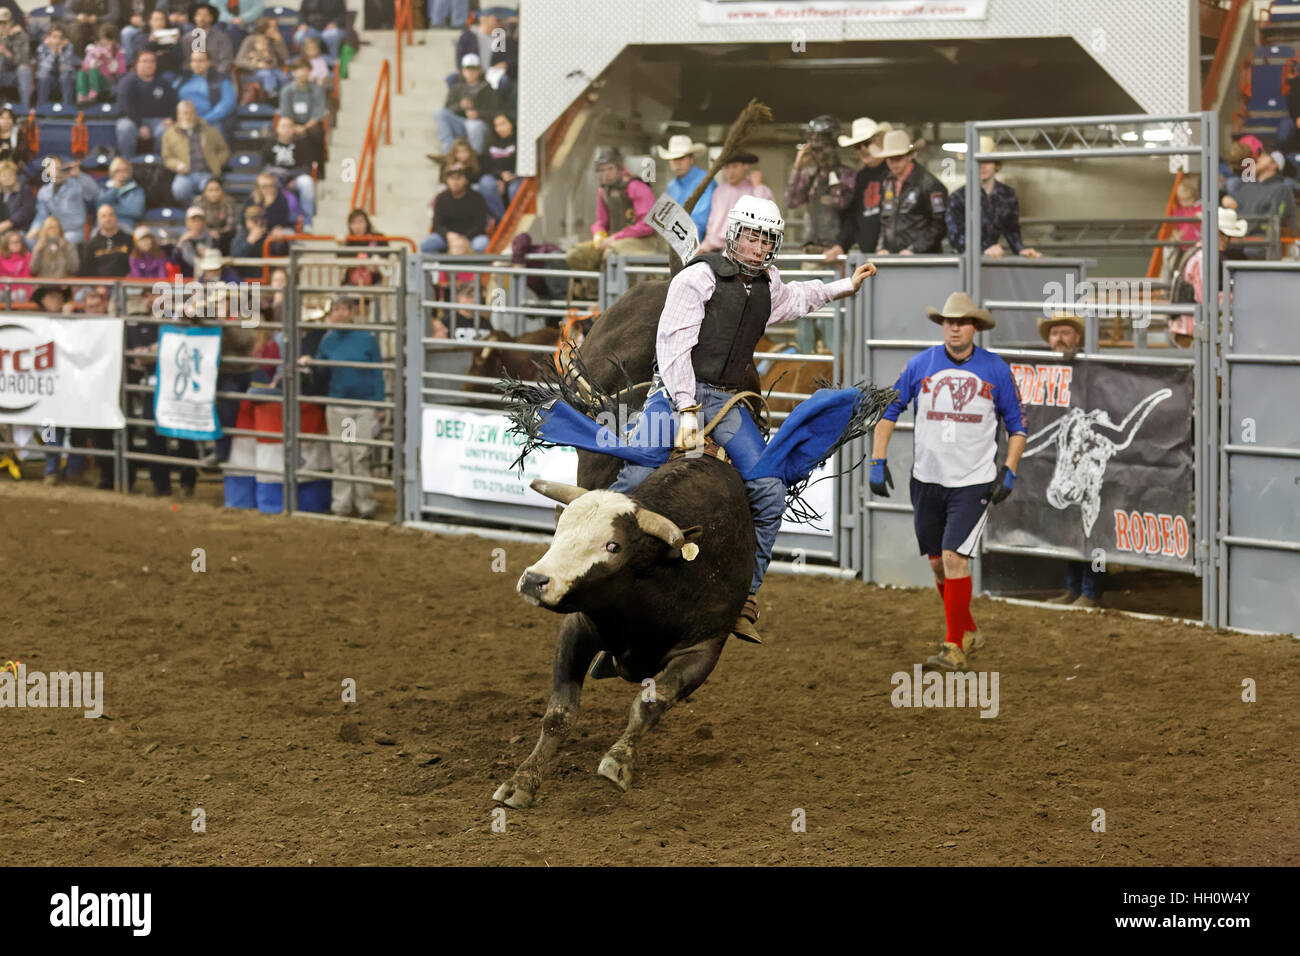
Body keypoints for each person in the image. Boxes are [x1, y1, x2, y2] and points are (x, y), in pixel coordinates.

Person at [601, 195, 878, 649]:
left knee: (768, 488)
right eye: (751, 235)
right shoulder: (699, 277)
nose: (758, 245)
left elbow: (801, 298)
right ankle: (589, 553)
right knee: (635, 472)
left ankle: (745, 597)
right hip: (674, 392)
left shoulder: (769, 284)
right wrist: (686, 406)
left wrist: (846, 285)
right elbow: (673, 347)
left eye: (766, 238)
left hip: (726, 402)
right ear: (734, 234)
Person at [869, 291, 1027, 672]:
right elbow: (890, 409)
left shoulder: (996, 370)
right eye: (948, 322)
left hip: (973, 481)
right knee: (938, 562)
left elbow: (1017, 427)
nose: (954, 328)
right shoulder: (920, 364)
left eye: (961, 322)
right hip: (927, 478)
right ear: (942, 325)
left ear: (975, 327)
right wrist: (877, 459)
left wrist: (1010, 469)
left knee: (955, 557)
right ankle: (968, 628)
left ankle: (954, 646)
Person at [1034, 311, 1106, 608]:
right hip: (1061, 461)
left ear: (1078, 337)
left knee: (1093, 523)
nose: (1059, 338)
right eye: (1054, 333)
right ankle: (1073, 588)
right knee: (1067, 525)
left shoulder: (1093, 368)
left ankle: (1091, 592)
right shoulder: (1043, 369)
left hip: (1090, 463)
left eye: (1065, 332)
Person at [299, 295, 385, 519]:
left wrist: (379, 403)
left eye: (343, 309)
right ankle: (343, 504)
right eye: (335, 310)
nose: (339, 314)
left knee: (359, 455)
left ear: (351, 312)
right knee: (342, 455)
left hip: (362, 405)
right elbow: (321, 371)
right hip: (341, 405)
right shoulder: (328, 340)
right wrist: (311, 363)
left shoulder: (366, 339)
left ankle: (364, 503)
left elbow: (378, 372)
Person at [564, 146, 659, 278]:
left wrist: (614, 238)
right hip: (614, 241)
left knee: (611, 253)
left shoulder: (637, 187)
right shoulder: (604, 192)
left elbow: (647, 226)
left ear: (619, 168)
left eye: (610, 169)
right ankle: (595, 292)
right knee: (575, 254)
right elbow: (601, 222)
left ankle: (619, 293)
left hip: (644, 241)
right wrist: (599, 235)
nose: (606, 174)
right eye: (602, 170)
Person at [946, 135, 1041, 259]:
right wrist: (984, 250)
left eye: (987, 161)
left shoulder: (1008, 195)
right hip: (965, 262)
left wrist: (1021, 250)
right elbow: (955, 237)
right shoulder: (958, 197)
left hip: (993, 260)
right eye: (977, 161)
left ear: (996, 164)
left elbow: (1012, 230)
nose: (982, 166)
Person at [1168, 206, 1247, 345]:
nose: (1225, 240)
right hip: (1193, 330)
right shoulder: (1204, 257)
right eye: (1221, 235)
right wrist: (1236, 296)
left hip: (1192, 327)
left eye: (1227, 236)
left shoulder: (1203, 254)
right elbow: (1205, 297)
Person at [819, 117, 891, 261]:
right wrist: (840, 245)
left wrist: (890, 247)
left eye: (867, 143)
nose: (863, 149)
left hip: (895, 256)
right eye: (858, 146)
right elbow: (854, 217)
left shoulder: (894, 173)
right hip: (871, 257)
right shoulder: (861, 178)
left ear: (880, 141)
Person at [871, 128, 949, 255]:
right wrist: (881, 247)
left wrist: (914, 249)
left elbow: (940, 224)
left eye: (898, 158)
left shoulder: (930, 184)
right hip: (893, 257)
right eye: (890, 159)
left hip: (923, 260)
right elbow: (885, 220)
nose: (894, 163)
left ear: (909, 156)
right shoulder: (887, 182)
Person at [784, 115, 855, 253]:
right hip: (811, 250)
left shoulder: (847, 175)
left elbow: (842, 204)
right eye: (815, 150)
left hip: (835, 251)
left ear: (834, 147)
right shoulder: (810, 176)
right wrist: (797, 167)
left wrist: (831, 177)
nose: (820, 154)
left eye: (823, 148)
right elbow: (791, 201)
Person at [1224, 148, 1297, 256]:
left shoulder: (1282, 190)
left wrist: (1245, 230)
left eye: (1264, 155)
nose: (1257, 159)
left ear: (1273, 165)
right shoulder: (1247, 187)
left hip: (1261, 246)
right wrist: (1226, 201)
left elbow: (1274, 221)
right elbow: (1232, 205)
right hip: (1239, 242)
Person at [699, 150, 776, 253]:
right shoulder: (719, 191)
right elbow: (712, 222)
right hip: (717, 248)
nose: (731, 172)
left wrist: (757, 185)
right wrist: (704, 247)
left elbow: (765, 217)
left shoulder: (757, 189)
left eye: (735, 166)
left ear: (745, 166)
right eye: (726, 167)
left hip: (745, 251)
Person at [161, 99, 230, 203]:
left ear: (195, 113)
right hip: (186, 175)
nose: (188, 116)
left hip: (207, 173)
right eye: (185, 113)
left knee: (212, 191)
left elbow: (224, 150)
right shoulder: (170, 134)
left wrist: (216, 162)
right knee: (179, 189)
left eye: (191, 112)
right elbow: (167, 158)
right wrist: (177, 165)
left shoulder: (210, 130)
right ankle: (192, 209)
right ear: (178, 115)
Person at [114, 49, 178, 158]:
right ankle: (126, 161)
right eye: (144, 61)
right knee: (125, 128)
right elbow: (126, 107)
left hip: (158, 120)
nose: (149, 64)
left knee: (167, 130)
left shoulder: (163, 83)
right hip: (132, 120)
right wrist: (140, 125)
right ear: (136, 64)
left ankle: (161, 163)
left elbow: (175, 103)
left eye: (152, 61)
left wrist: (172, 118)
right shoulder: (127, 82)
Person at [27, 159, 102, 247]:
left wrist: (80, 175)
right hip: (54, 231)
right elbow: (41, 214)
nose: (58, 172)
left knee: (57, 246)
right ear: (48, 172)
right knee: (31, 241)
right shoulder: (44, 191)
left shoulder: (77, 184)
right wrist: (35, 228)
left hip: (74, 231)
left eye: (60, 168)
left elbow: (95, 193)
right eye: (53, 169)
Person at [434, 53, 497, 156]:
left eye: (474, 69)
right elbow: (447, 109)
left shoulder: (488, 89)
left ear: (479, 71)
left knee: (473, 125)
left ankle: (473, 160)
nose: (470, 72)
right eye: (468, 69)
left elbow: (496, 112)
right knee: (439, 113)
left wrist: (478, 114)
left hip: (480, 124)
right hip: (460, 123)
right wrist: (460, 106)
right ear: (463, 71)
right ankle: (448, 153)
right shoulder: (456, 88)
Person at [420, 163, 490, 253]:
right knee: (427, 244)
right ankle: (435, 267)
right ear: (446, 181)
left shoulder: (477, 198)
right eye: (451, 178)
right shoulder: (441, 199)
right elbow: (437, 225)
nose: (455, 182)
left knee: (482, 244)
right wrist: (449, 235)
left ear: (466, 180)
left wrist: (463, 238)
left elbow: (480, 224)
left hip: (472, 237)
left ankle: (476, 267)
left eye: (459, 178)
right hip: (448, 237)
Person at [261, 115, 316, 228]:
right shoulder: (270, 144)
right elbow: (265, 165)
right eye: (283, 126)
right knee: (266, 184)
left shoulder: (302, 144)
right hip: (276, 177)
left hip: (296, 177)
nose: (286, 129)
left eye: (289, 126)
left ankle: (307, 222)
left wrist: (294, 179)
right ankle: (268, 221)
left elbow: (307, 166)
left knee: (307, 182)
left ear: (294, 128)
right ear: (277, 128)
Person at [659, 134, 714, 240]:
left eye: (681, 158)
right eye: (674, 158)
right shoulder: (671, 187)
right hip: (678, 242)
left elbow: (701, 220)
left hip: (702, 247)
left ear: (691, 159)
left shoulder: (705, 180)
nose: (677, 163)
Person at [173, 49, 236, 133]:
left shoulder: (221, 80)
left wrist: (205, 120)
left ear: (209, 62)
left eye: (200, 61)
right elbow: (170, 98)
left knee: (215, 131)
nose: (196, 64)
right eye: (193, 61)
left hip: (211, 121)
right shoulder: (182, 80)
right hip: (183, 120)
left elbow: (227, 104)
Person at [479, 112, 519, 220]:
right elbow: (485, 165)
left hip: (516, 176)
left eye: (503, 124)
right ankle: (502, 220)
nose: (499, 128)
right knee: (485, 183)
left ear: (511, 123)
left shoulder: (519, 140)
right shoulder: (490, 142)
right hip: (497, 176)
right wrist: (500, 175)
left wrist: (510, 176)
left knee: (514, 189)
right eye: (496, 125)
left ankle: (515, 220)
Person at [76, 23, 126, 106]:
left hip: (108, 81)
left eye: (107, 43)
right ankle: (83, 96)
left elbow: (121, 71)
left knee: (94, 71)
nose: (104, 46)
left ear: (114, 41)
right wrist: (94, 59)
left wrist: (111, 60)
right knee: (82, 73)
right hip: (93, 78)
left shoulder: (120, 53)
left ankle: (93, 95)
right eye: (101, 43)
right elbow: (86, 65)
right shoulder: (93, 50)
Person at [80, 204, 133, 277]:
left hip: (125, 284)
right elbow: (86, 270)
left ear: (115, 218)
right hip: (98, 285)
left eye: (111, 215)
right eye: (103, 216)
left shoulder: (129, 240)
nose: (108, 219)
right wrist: (96, 286)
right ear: (98, 220)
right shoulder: (90, 245)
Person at [234, 25, 286, 99]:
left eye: (265, 43)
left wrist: (267, 56)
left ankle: (284, 95)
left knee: (281, 74)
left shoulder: (268, 51)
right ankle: (271, 94)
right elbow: (239, 62)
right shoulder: (253, 53)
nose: (263, 45)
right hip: (254, 72)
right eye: (260, 43)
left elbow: (274, 63)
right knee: (267, 74)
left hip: (270, 70)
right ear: (255, 44)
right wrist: (257, 64)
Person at [182, 3, 234, 75]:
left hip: (217, 74)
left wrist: (215, 73)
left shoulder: (222, 37)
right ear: (194, 17)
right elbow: (186, 61)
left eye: (205, 15)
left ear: (211, 18)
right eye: (198, 15)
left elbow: (226, 60)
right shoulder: (186, 38)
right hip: (193, 76)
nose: (202, 18)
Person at [98, 157, 146, 230]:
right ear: (112, 172)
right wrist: (115, 189)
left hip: (125, 224)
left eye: (124, 170)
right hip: (104, 225)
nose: (121, 173)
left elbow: (136, 212)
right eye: (118, 171)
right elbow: (98, 206)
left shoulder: (136, 189)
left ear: (129, 172)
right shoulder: (103, 187)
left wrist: (110, 211)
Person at [36, 23, 78, 107]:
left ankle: (68, 106)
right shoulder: (42, 47)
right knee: (44, 75)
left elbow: (68, 67)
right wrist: (53, 52)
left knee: (65, 76)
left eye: (60, 37)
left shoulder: (69, 46)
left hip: (63, 74)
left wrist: (60, 52)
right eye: (54, 37)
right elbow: (44, 66)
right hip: (48, 74)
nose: (57, 40)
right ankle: (41, 106)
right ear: (48, 37)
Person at [0, 8, 32, 110]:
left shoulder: (20, 35)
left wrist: (6, 52)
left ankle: (25, 108)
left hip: (14, 74)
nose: (2, 26)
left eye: (5, 22)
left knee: (24, 69)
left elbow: (23, 60)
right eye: (0, 23)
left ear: (11, 22)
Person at [173, 205, 219, 275]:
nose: (197, 223)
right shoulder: (181, 237)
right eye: (194, 220)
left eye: (200, 220)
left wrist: (209, 251)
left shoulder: (211, 236)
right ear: (187, 222)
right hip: (186, 277)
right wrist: (181, 242)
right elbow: (173, 261)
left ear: (204, 222)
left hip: (207, 275)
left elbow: (217, 259)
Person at [195, 176, 238, 251]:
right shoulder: (199, 202)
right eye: (210, 190)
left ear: (222, 191)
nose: (214, 193)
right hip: (205, 233)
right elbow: (196, 223)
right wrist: (209, 232)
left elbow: (231, 225)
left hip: (225, 235)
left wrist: (218, 232)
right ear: (205, 192)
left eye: (217, 190)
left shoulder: (229, 202)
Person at [0, 158, 32, 237]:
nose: (7, 177)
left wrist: (10, 222)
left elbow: (26, 210)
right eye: (4, 175)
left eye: (10, 174)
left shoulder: (24, 189)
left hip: (20, 229)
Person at [0, 226, 30, 301]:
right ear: (7, 245)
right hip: (3, 287)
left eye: (18, 241)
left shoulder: (27, 256)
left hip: (20, 288)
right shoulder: (1, 256)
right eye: (13, 242)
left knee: (19, 294)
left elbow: (27, 277)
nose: (16, 244)